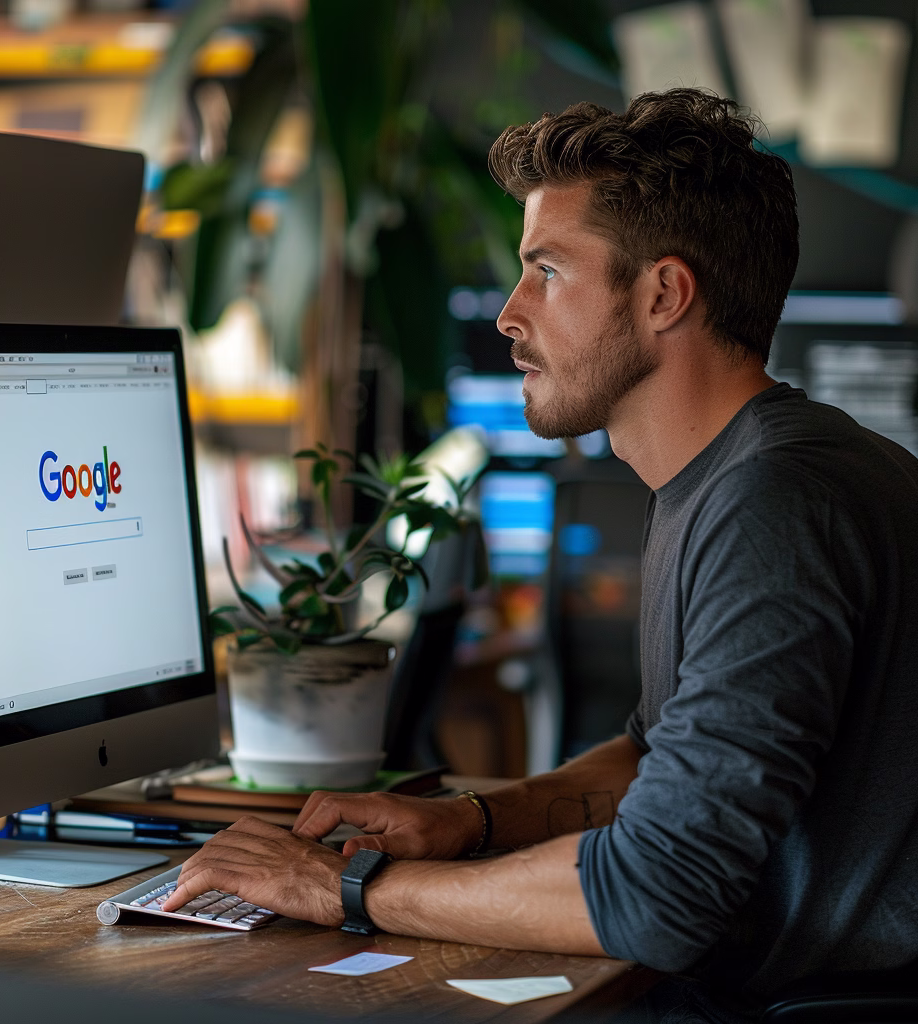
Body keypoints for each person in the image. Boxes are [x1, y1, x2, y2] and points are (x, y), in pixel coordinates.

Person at [163, 89, 918, 1017]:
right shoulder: (734, 474)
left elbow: (658, 896)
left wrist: (339, 888)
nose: (509, 314)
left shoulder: (776, 504)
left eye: (548, 271)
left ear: (663, 295)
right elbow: (655, 759)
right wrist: (469, 821)